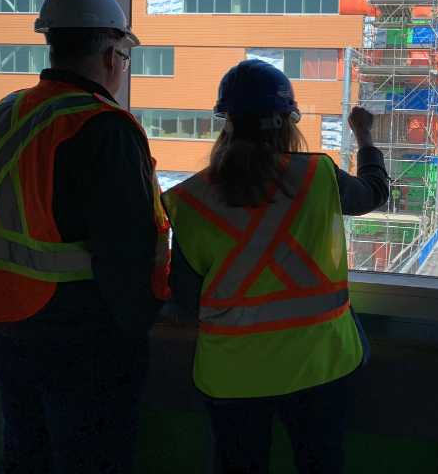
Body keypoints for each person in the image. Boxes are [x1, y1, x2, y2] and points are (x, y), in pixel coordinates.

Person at [0, 0, 171, 473]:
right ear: (113, 55)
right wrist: (138, 323)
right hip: (81, 339)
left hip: (3, 319)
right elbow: (129, 249)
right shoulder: (103, 126)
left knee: (25, 455)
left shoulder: (1, 114)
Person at [161, 59, 388, 474]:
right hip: (321, 362)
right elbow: (374, 193)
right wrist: (364, 135)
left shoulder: (187, 199)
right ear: (288, 121)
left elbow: (187, 298)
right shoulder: (319, 177)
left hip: (233, 372)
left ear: (225, 122)